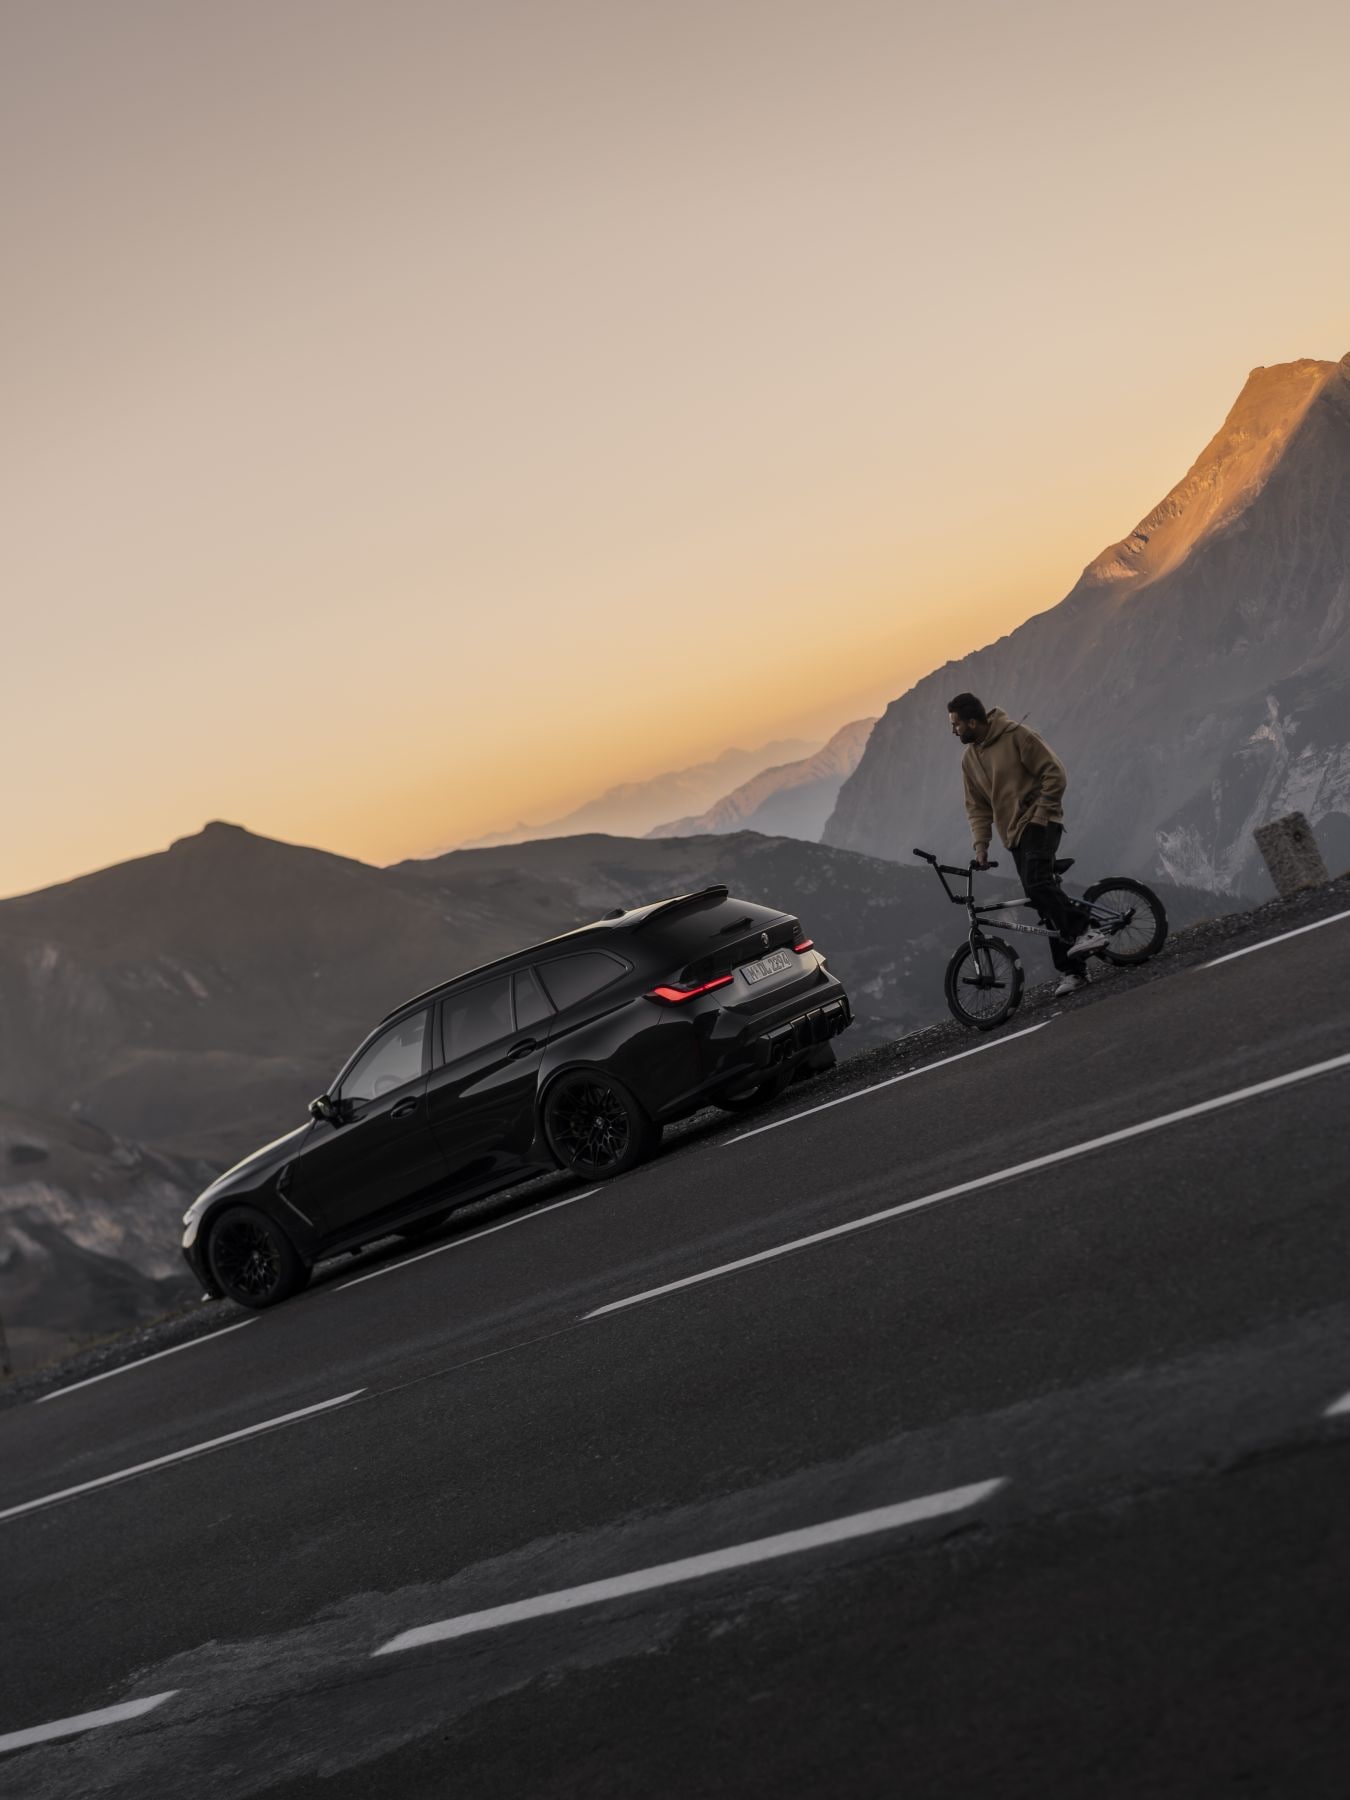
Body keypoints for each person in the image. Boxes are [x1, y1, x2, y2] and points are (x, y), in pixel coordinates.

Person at [947, 692, 1108, 997]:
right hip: (1014, 836)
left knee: (1036, 885)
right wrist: (981, 845)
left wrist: (1043, 813)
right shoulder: (969, 760)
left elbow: (1055, 772)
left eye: (956, 724)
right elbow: (977, 807)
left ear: (972, 721)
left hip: (1040, 822)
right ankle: (1074, 972)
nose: (953, 731)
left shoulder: (1017, 736)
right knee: (1044, 900)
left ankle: (1087, 929)